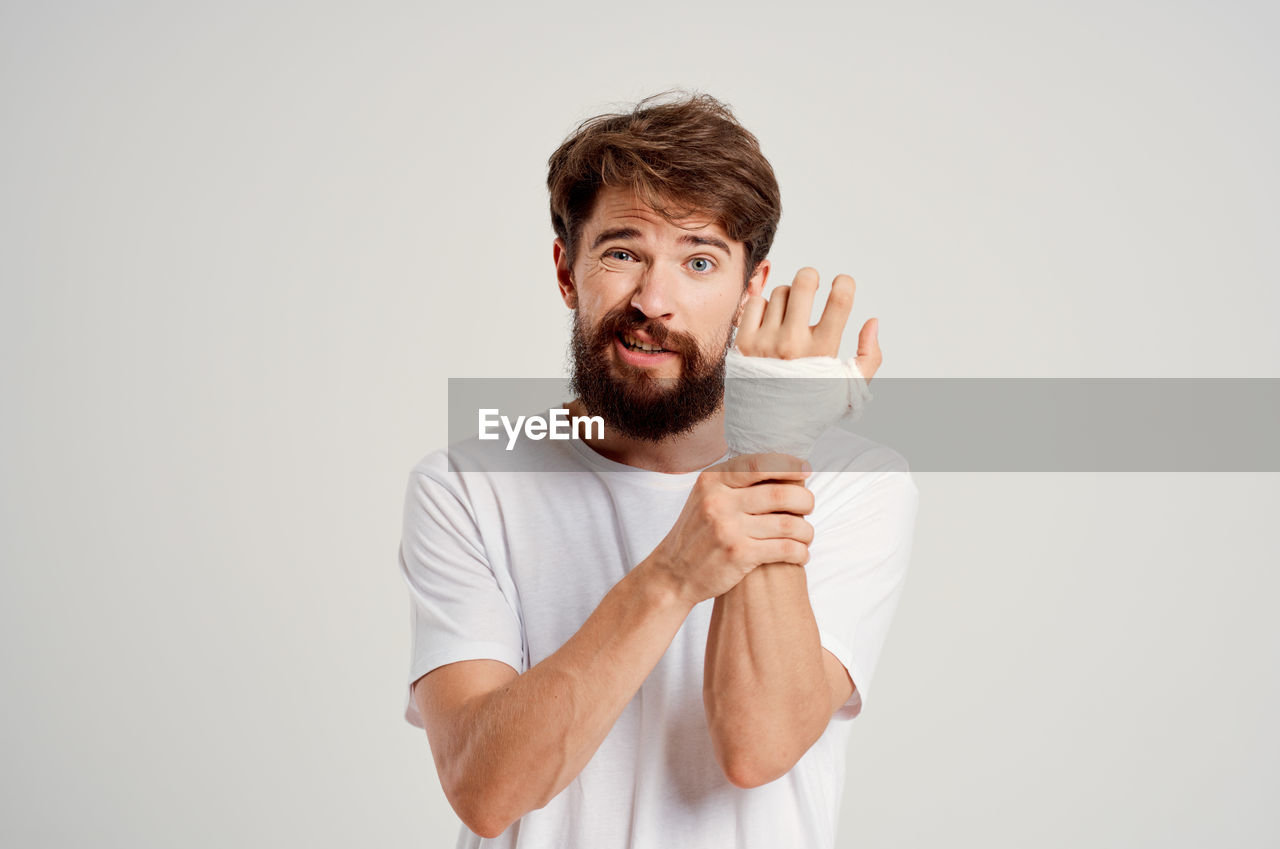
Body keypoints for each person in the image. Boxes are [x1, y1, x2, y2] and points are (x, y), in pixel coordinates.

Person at [399, 91, 920, 848]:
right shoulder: (468, 485)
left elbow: (757, 747)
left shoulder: (854, 482)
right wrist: (674, 573)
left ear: (750, 291)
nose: (654, 300)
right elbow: (485, 790)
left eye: (699, 260)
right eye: (622, 252)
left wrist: (768, 454)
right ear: (567, 270)